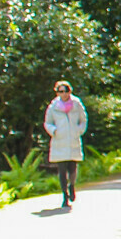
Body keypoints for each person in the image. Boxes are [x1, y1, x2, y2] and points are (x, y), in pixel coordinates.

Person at [44, 81, 88, 210]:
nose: (63, 94)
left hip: (73, 140)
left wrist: (79, 131)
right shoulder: (53, 107)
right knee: (62, 170)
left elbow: (83, 119)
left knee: (72, 168)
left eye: (65, 91)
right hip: (60, 141)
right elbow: (48, 123)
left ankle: (72, 186)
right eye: (60, 92)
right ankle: (64, 195)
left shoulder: (76, 104)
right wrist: (55, 131)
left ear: (70, 91)